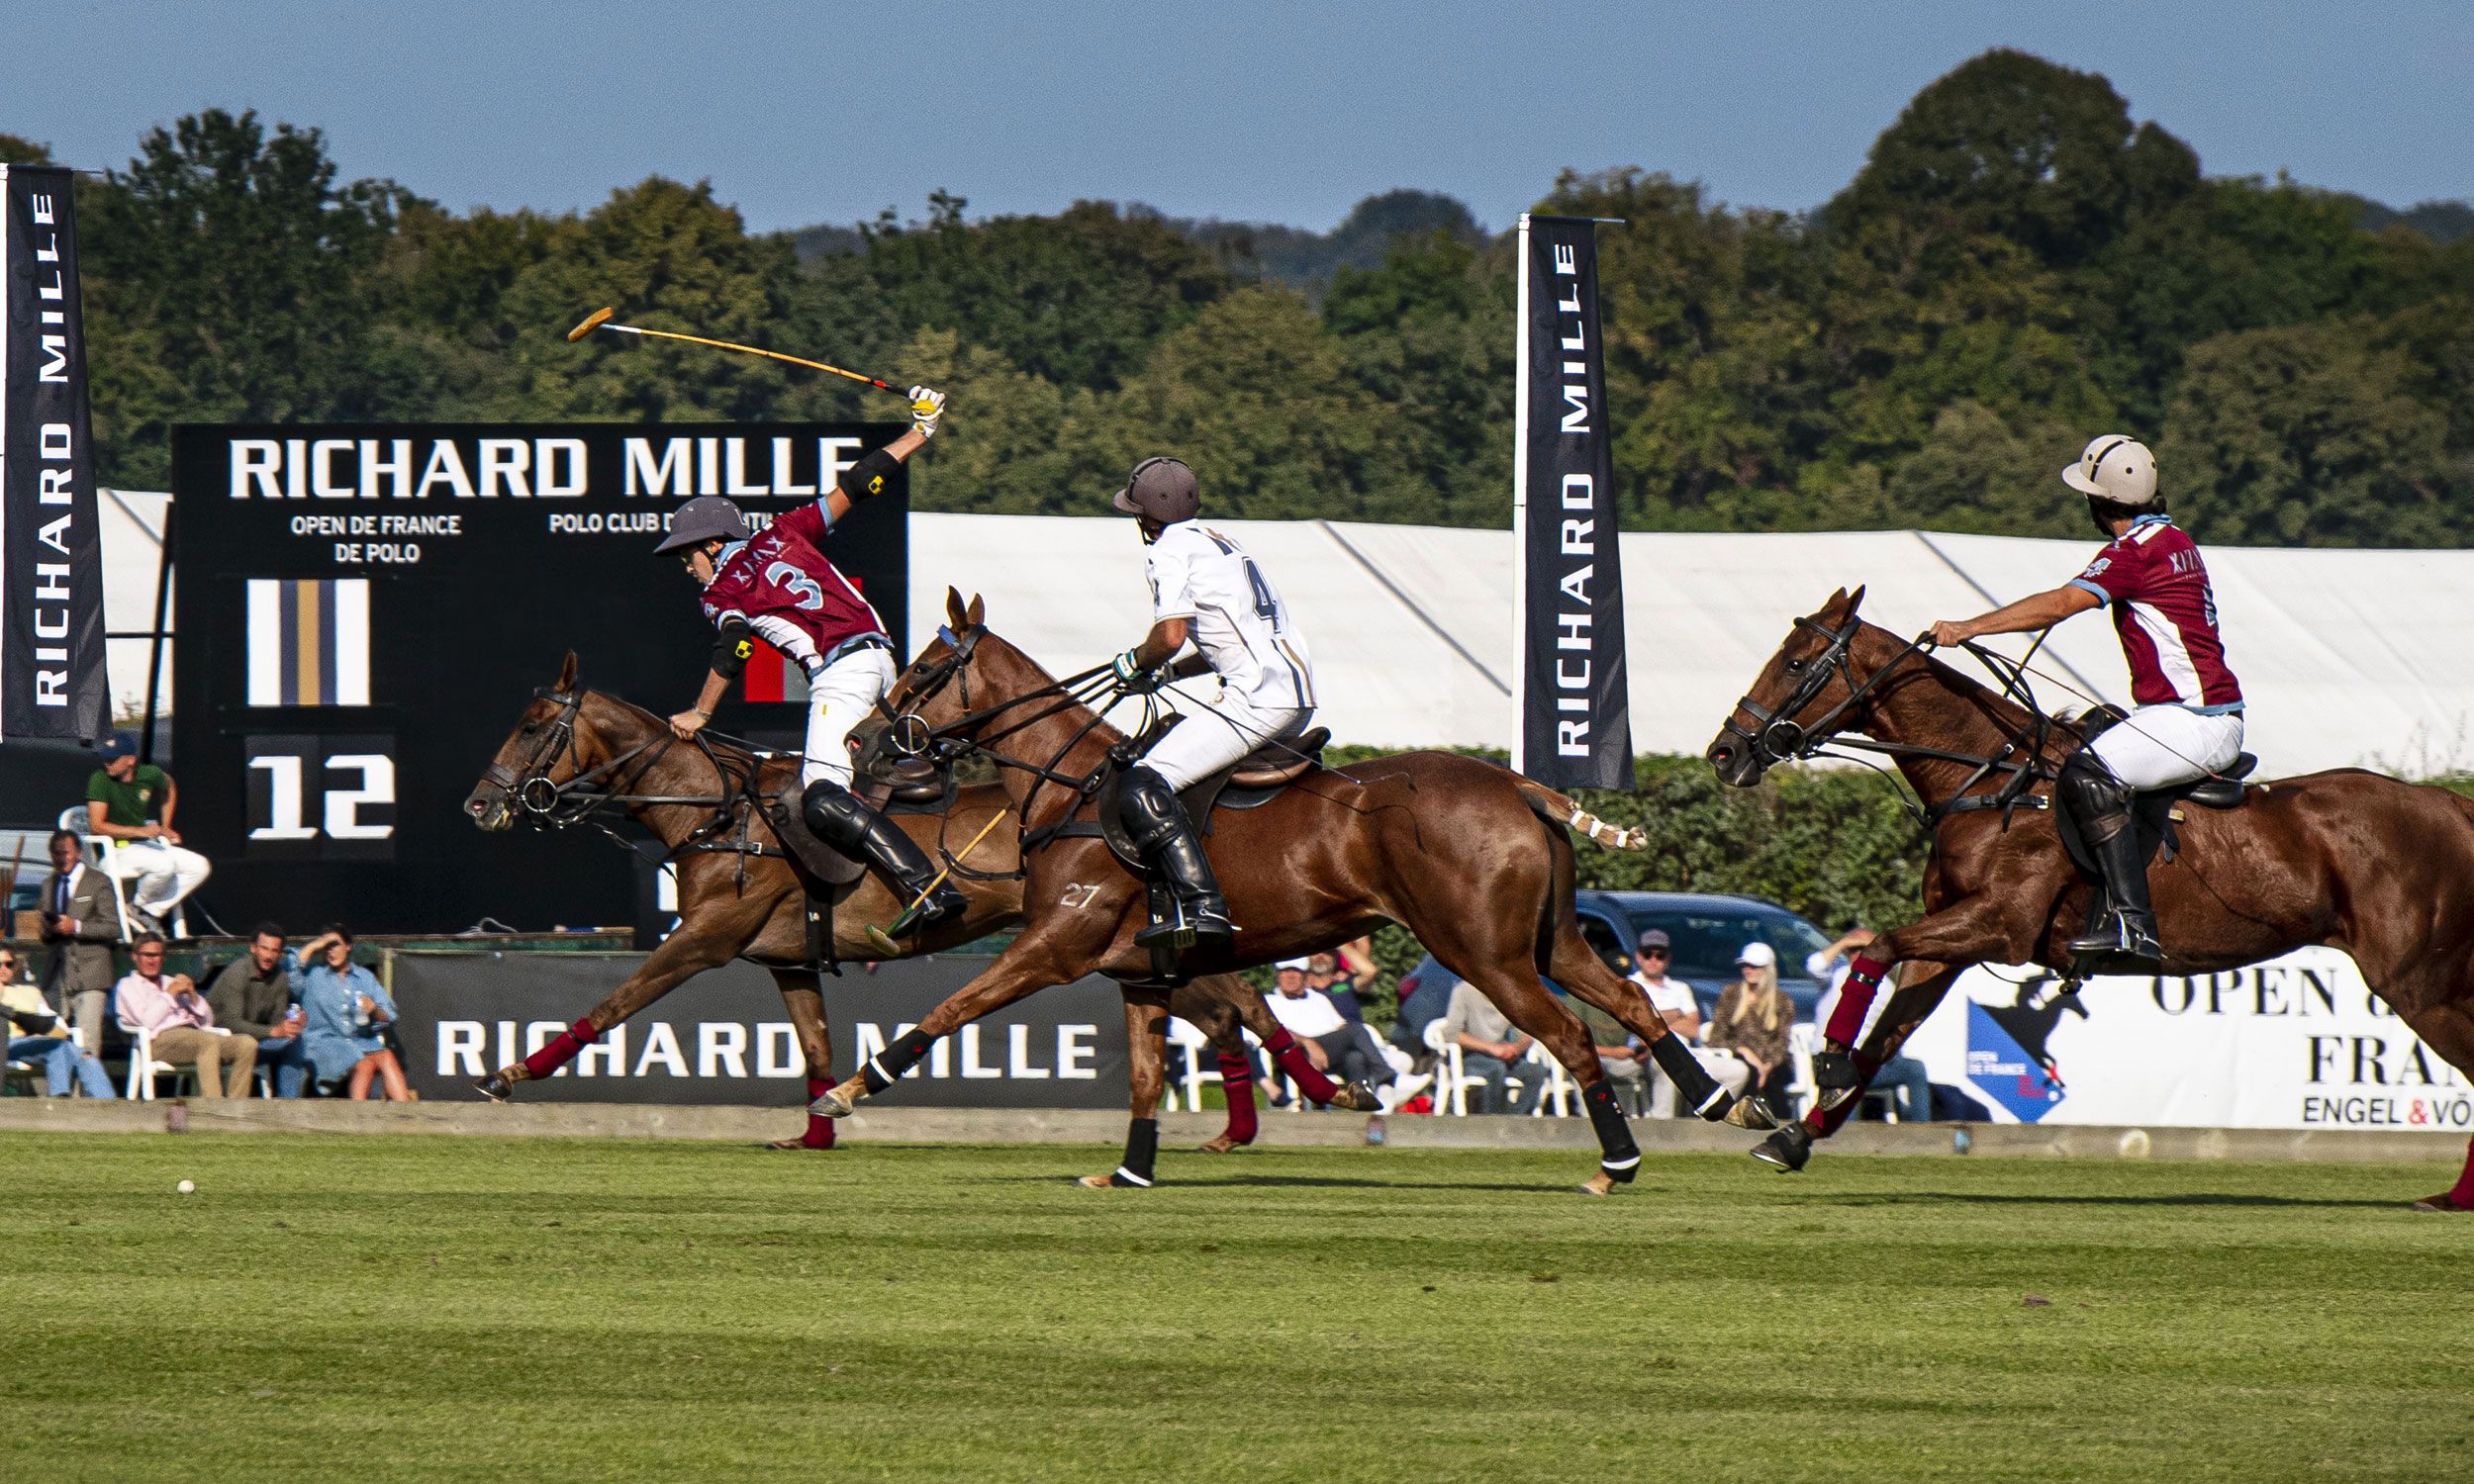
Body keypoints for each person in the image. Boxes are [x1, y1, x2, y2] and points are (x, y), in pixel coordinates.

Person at [1814, 435, 2249, 1101]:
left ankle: (2130, 918)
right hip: (2190, 714)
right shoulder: (2173, 538)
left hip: (2195, 719)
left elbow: (2057, 604)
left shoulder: (2137, 552)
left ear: (2101, 502)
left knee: (2083, 773)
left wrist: (1968, 629)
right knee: (2080, 760)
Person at [654, 387, 964, 942]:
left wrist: (702, 712)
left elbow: (735, 649)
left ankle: (926, 886)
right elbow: (858, 483)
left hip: (841, 675)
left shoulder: (724, 589)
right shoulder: (784, 530)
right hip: (882, 661)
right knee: (858, 787)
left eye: (686, 554)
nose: (687, 567)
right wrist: (921, 431)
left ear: (712, 544)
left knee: (821, 794)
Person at [1107, 456, 1316, 950]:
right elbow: (1227, 638)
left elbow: (1171, 635)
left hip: (1259, 699)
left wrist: (1134, 663)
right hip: (1297, 691)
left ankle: (1203, 906)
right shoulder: (1223, 543)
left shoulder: (1168, 550)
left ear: (1148, 516)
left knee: (1143, 781)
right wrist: (1172, 673)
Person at [84, 731, 212, 936]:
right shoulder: (99, 779)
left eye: (113, 758)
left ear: (131, 761)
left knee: (199, 866)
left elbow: (169, 785)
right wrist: (140, 830)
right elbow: (97, 826)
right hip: (115, 850)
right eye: (105, 757)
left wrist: (166, 825)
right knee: (164, 866)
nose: (107, 763)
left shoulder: (148, 774)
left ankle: (147, 910)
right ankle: (140, 908)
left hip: (142, 846)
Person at [1808, 928, 1934, 1123]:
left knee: (1914, 1069)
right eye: (1853, 950)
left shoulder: (1885, 987)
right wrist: (1844, 943)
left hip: (1862, 1061)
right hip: (1830, 1060)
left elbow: (1897, 1027)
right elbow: (1813, 965)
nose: (1859, 954)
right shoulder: (1835, 976)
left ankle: (1922, 1129)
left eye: (1865, 949)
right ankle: (1845, 1135)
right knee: (1847, 1075)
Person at [115, 936, 257, 1098]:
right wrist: (170, 994)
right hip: (158, 1041)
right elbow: (147, 1021)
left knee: (246, 1044)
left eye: (157, 955)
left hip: (195, 1035)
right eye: (147, 955)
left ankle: (237, 1110)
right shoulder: (127, 986)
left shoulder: (170, 981)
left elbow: (208, 1021)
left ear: (163, 958)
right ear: (135, 956)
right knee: (207, 1041)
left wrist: (192, 994)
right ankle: (214, 1109)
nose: (152, 960)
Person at [1262, 959, 1405, 1106]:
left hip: (1329, 1052)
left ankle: (1362, 1104)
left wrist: (1339, 1041)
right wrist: (1308, 1042)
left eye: (1295, 971)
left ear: (1304, 975)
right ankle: (1386, 1075)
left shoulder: (1318, 997)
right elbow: (1272, 1031)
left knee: (1355, 1057)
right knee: (1356, 1029)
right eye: (1285, 972)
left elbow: (1340, 1025)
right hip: (1298, 1051)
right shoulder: (1270, 1001)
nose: (1290, 976)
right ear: (1278, 976)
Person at [295, 926, 408, 1100]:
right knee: (363, 1063)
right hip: (325, 1043)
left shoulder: (364, 977)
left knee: (386, 1055)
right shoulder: (313, 975)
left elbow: (390, 1015)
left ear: (348, 947)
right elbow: (292, 973)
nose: (330, 951)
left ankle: (406, 1116)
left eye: (335, 945)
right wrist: (316, 944)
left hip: (360, 1042)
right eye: (327, 946)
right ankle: (358, 1120)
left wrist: (374, 1010)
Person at [37, 829, 121, 1055]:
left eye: (65, 853)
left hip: (91, 973)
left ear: (79, 853)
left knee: (87, 1045)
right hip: (57, 975)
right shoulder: (49, 884)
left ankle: (86, 1090)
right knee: (50, 1040)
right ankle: (59, 1090)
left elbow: (113, 928)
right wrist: (48, 928)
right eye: (55, 854)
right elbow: (45, 936)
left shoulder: (98, 882)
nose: (61, 858)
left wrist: (75, 926)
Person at [205, 923, 311, 1098]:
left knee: (294, 1044)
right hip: (223, 1042)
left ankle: (289, 1108)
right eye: (264, 948)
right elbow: (232, 1023)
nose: (269, 956)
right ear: (253, 948)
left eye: (274, 951)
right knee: (252, 1043)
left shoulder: (280, 977)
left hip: (256, 1041)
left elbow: (277, 1022)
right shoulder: (238, 973)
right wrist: (274, 1030)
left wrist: (291, 1025)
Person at [2, 947, 115, 1098]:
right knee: (56, 1047)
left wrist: (50, 1035)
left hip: (38, 1042)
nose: (3, 969)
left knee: (87, 1057)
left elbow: (56, 1024)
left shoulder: (30, 992)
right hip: (7, 1044)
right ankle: (59, 1100)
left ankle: (108, 1105)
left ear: (14, 967)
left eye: (8, 964)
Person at [1629, 930, 1706, 1117]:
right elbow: (1638, 1025)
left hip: (1688, 1052)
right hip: (1649, 1051)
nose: (1653, 960)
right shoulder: (1629, 986)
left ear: (1668, 958)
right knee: (1671, 1064)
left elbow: (1693, 1029)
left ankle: (1707, 1126)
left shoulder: (1680, 988)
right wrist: (1676, 1015)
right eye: (1648, 955)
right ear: (1639, 957)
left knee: (1737, 1072)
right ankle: (1662, 1127)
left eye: (1660, 955)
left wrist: (1655, 1019)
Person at [1439, 977, 1544, 1116]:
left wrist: (1516, 1049)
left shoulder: (1509, 995)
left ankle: (1515, 1119)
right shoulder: (1463, 991)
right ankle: (1491, 1121)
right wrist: (1491, 1048)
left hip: (1503, 1057)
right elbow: (1451, 1033)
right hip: (1471, 1057)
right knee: (1496, 1069)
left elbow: (1528, 1032)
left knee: (1536, 1071)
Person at [1702, 943, 1791, 1105]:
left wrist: (1766, 1065)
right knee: (1746, 1072)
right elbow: (1716, 1036)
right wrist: (1742, 1050)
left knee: (1775, 1080)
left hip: (1772, 1062)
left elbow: (1782, 1042)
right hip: (1738, 1056)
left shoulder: (1782, 1001)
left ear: (1767, 969)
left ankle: (1783, 1122)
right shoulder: (1731, 994)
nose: (1748, 970)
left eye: (1755, 966)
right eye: (1745, 965)